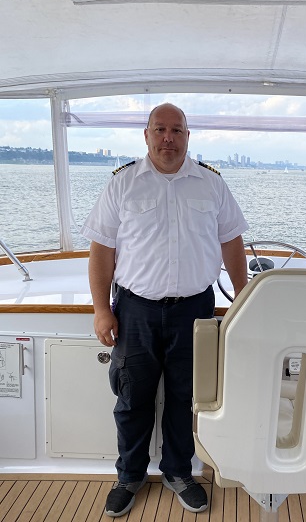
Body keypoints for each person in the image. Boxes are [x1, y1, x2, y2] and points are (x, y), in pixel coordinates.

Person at [80, 103, 249, 517]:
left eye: (177, 130)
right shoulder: (122, 184)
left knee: (183, 397)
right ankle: (129, 476)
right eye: (160, 129)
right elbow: (101, 250)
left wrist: (244, 298)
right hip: (134, 310)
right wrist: (102, 309)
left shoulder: (211, 184)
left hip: (195, 310)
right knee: (132, 397)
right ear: (147, 135)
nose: (168, 137)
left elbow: (231, 243)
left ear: (188, 137)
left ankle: (179, 473)